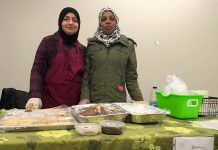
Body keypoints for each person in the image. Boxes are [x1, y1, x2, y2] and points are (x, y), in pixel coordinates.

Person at [79, 7, 143, 104]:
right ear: (99, 23)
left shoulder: (127, 44)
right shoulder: (92, 44)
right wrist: (84, 97)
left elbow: (131, 78)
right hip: (94, 101)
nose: (108, 21)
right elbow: (86, 74)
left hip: (117, 102)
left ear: (116, 22)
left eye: (111, 19)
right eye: (103, 19)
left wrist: (139, 101)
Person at [25, 7, 86, 109]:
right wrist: (35, 96)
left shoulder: (83, 49)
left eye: (75, 20)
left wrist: (85, 98)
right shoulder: (48, 42)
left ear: (79, 25)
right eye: (66, 19)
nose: (70, 23)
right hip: (49, 107)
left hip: (74, 109)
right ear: (60, 22)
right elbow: (37, 71)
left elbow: (85, 78)